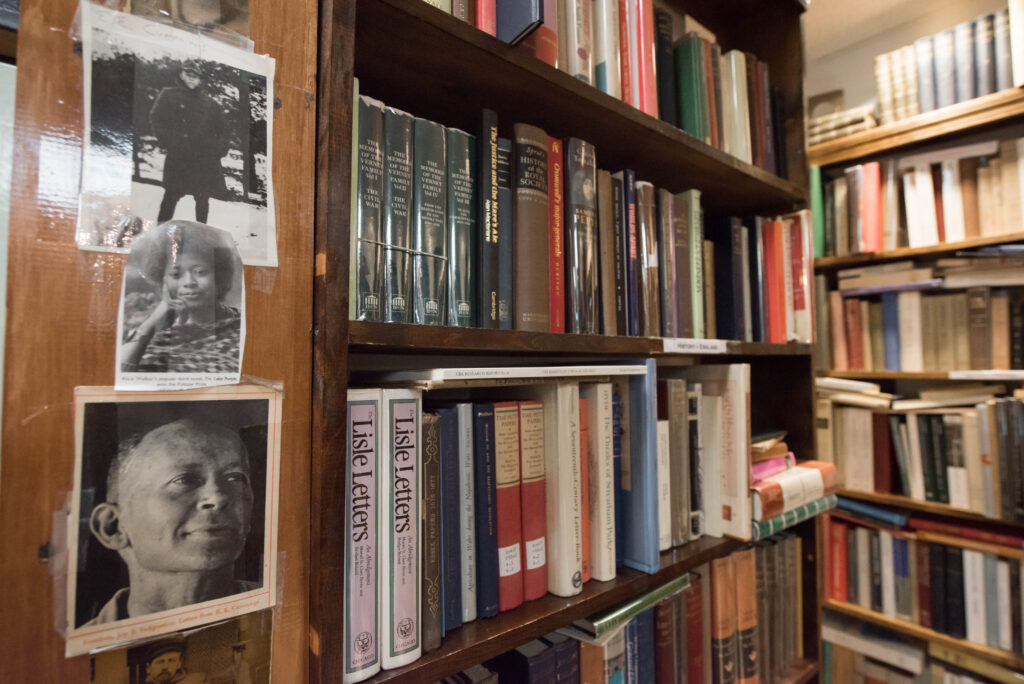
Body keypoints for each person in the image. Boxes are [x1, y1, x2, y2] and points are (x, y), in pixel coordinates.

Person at [85, 418, 257, 625]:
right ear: (112, 527)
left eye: (235, 478)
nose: (219, 497)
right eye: (184, 480)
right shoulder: (76, 653)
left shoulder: (288, 613)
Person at [120, 221, 242, 374]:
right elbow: (121, 374)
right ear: (164, 280)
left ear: (219, 275)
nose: (189, 282)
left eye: (200, 272)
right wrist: (152, 322)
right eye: (176, 275)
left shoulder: (240, 327)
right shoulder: (158, 335)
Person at [149, 65, 229, 224]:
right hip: (179, 155)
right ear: (182, 75)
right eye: (189, 74)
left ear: (200, 80)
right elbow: (156, 118)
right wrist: (169, 141)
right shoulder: (169, 95)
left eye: (196, 76)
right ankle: (159, 231)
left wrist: (218, 150)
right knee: (171, 195)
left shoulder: (210, 103)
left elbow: (224, 129)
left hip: (203, 159)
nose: (192, 78)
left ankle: (201, 234)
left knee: (202, 198)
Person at [141, 638, 207, 684]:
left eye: (171, 661)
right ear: (148, 668)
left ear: (179, 664)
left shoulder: (197, 681)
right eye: (160, 662)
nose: (165, 666)